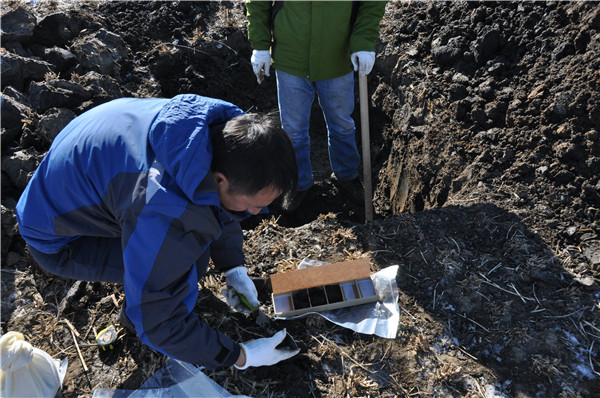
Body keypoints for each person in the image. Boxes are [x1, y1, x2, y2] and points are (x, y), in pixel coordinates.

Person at [15, 94, 300, 370]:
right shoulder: (163, 205)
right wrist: (240, 356)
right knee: (186, 266)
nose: (255, 213)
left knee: (186, 250)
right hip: (59, 237)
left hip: (80, 183)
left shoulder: (210, 133)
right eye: (253, 206)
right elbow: (158, 323)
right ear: (220, 180)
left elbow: (214, 202)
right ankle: (130, 320)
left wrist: (233, 266)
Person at [246, 0, 387, 212]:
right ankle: (298, 184)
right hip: (290, 57)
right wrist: (260, 44)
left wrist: (363, 41)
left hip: (336, 57)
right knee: (293, 130)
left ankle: (347, 176)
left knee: (342, 124)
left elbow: (372, 4)